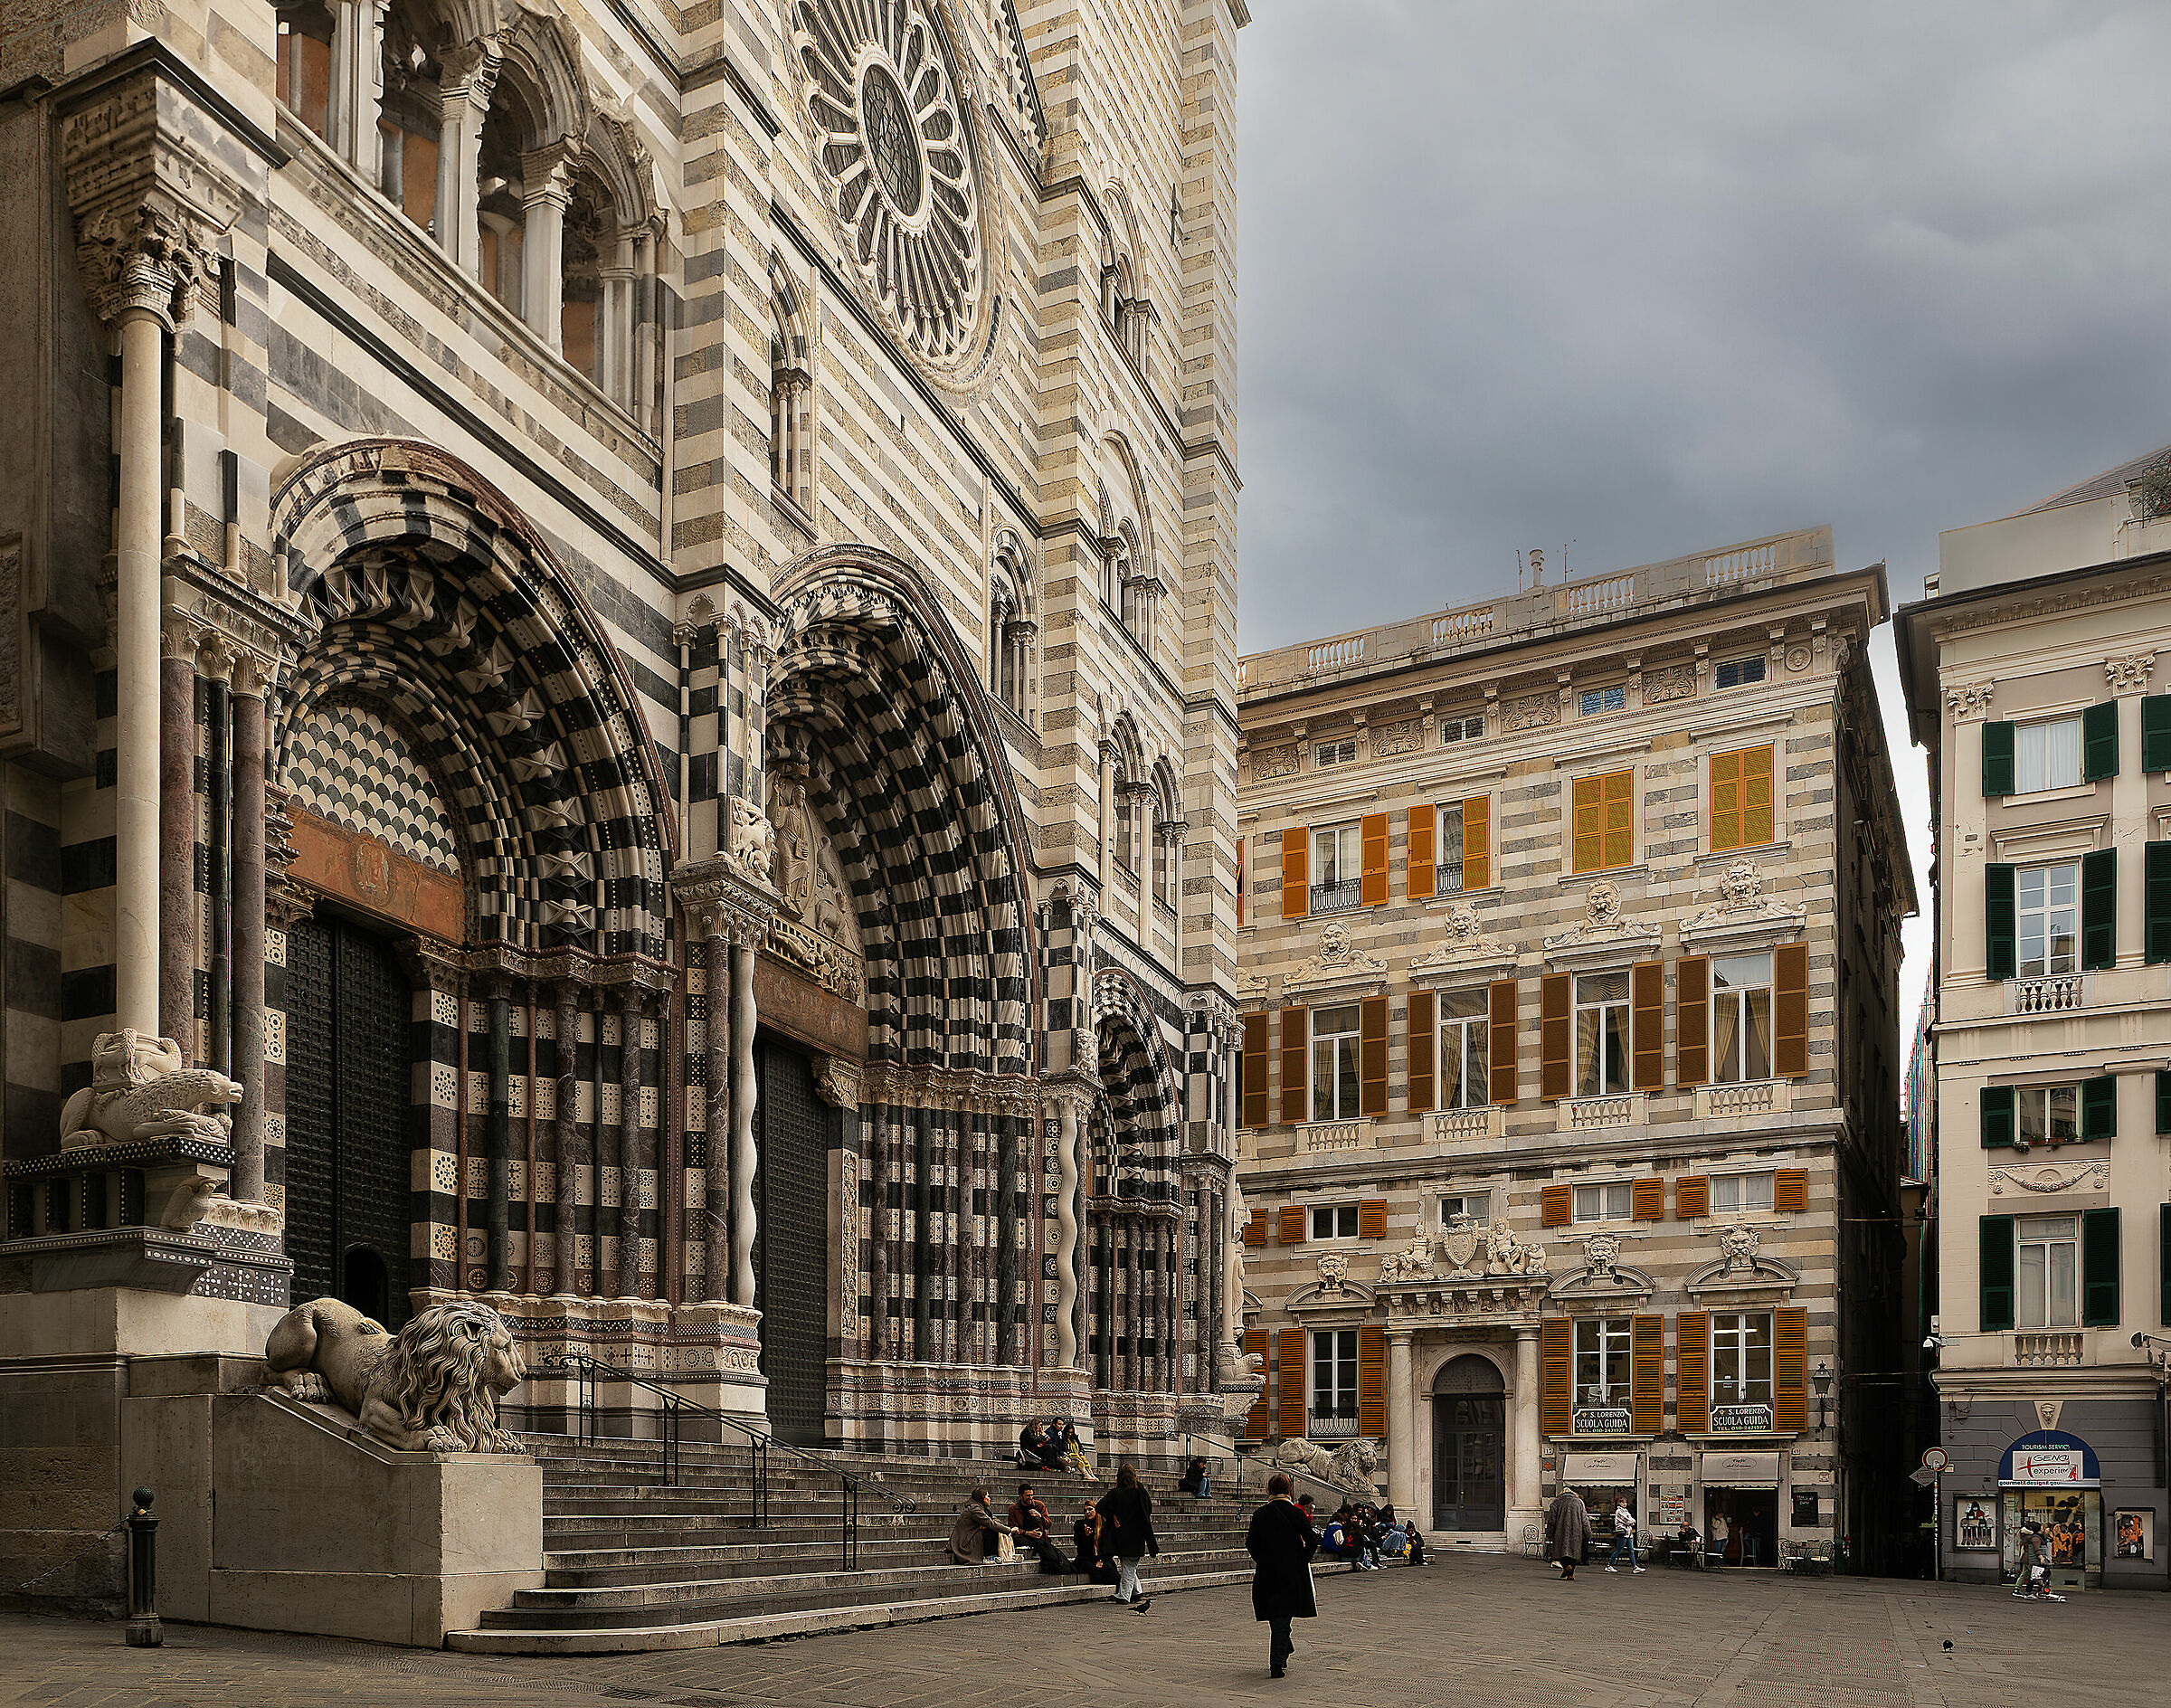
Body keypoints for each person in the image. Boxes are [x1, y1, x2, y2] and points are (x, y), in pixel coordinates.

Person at [1247, 1472, 1319, 1679]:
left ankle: (1283, 1649)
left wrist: (1263, 1560)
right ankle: (1276, 1663)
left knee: (1277, 1616)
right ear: (1289, 1490)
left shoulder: (1260, 1514)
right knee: (1282, 1616)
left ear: (1269, 1490)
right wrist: (1300, 1561)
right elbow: (1312, 1542)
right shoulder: (1297, 1514)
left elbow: (1251, 1544)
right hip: (1291, 1573)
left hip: (1267, 1572)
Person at [1095, 1462, 1159, 1609]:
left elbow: (1099, 1507)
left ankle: (1125, 1595)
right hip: (1136, 1535)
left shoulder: (1115, 1493)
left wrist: (1113, 1516)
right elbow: (1148, 1509)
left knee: (1128, 1565)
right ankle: (1135, 1592)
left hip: (1121, 1535)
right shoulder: (1140, 1491)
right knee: (1129, 1565)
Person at [1007, 1483, 1069, 1574]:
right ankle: (1039, 1545)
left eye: (1032, 1495)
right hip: (1025, 1536)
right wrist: (1027, 1533)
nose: (1030, 1498)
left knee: (1037, 1518)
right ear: (1021, 1496)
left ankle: (1039, 1544)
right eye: (1028, 1496)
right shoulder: (1013, 1509)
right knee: (1015, 1538)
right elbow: (1013, 1527)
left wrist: (1040, 1516)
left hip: (1039, 1535)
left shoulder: (1039, 1505)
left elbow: (1048, 1524)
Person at [947, 1485, 1016, 1565]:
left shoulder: (982, 1509)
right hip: (964, 1543)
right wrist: (1010, 1530)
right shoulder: (975, 1509)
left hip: (971, 1537)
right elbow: (991, 1524)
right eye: (988, 1496)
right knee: (991, 1530)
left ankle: (990, 1555)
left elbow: (994, 1520)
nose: (989, 1499)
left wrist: (987, 1524)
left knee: (990, 1528)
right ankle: (987, 1556)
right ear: (983, 1498)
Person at [1546, 1486, 1594, 1581]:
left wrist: (1549, 1533)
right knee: (1574, 1552)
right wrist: (1588, 1532)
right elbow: (1585, 1519)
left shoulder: (1556, 1503)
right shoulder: (1579, 1502)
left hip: (1560, 1532)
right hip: (1576, 1532)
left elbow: (1551, 1520)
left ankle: (1567, 1567)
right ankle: (1570, 1574)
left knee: (1561, 1552)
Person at [2013, 1523, 2065, 1602]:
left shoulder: (2028, 1536)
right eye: (2041, 1527)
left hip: (2027, 1558)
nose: (2043, 1528)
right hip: (2031, 1558)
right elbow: (2036, 1548)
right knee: (2034, 1574)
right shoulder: (2034, 1538)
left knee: (2028, 1574)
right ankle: (2038, 1590)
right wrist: (2041, 1557)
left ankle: (2019, 1589)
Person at [1074, 1498, 1118, 1585]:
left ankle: (1128, 1593)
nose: (1087, 1512)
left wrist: (1101, 1561)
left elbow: (1109, 1547)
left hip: (1102, 1558)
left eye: (1090, 1509)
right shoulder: (1080, 1525)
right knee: (1095, 1572)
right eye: (1085, 1510)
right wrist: (1086, 1536)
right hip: (1086, 1559)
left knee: (1109, 1569)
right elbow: (1080, 1547)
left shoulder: (1104, 1525)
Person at [1605, 1497, 1645, 1574]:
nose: (1624, 1504)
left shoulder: (1626, 1511)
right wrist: (1632, 1522)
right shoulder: (1619, 1511)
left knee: (1631, 1550)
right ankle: (1609, 1565)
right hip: (1623, 1533)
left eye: (1625, 1502)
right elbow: (1628, 1520)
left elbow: (1631, 1520)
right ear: (1619, 1503)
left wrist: (1632, 1521)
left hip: (1629, 1533)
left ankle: (1634, 1567)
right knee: (1619, 1550)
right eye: (1623, 1502)